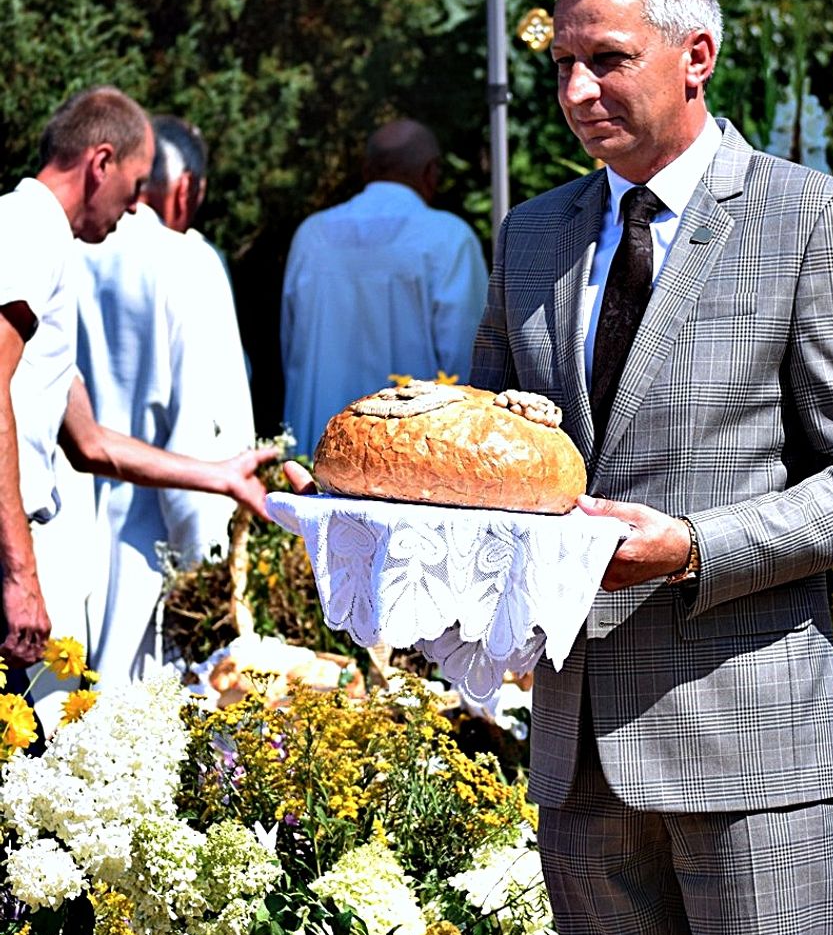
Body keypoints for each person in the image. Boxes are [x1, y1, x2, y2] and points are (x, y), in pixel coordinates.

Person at [474, 0, 833, 935]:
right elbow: (500, 443)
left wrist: (690, 547)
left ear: (697, 57)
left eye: (608, 60)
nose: (577, 90)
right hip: (579, 755)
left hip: (748, 748)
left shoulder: (811, 221)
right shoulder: (531, 237)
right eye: (562, 65)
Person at [0, 86, 273, 704]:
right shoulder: (27, 227)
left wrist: (220, 475)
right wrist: (19, 575)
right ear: (100, 162)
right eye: (135, 183)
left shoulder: (51, 243)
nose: (133, 207)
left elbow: (91, 444)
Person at [72, 114, 257, 683]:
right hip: (148, 552)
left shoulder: (66, 249)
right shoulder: (187, 261)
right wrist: (210, 578)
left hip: (58, 532)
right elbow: (204, 430)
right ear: (186, 189)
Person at [280, 118, 488, 454]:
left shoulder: (311, 236)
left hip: (317, 443)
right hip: (409, 450)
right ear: (431, 172)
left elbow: (293, 348)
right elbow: (466, 359)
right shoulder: (447, 238)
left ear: (366, 170)